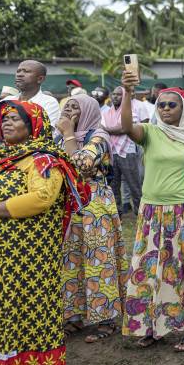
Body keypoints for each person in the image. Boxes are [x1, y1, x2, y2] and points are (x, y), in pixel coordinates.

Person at [0, 100, 88, 365]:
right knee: (0, 307)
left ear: (34, 125)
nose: (6, 123)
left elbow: (42, 198)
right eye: (4, 119)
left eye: (15, 119)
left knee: (33, 307)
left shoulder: (45, 159)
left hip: (31, 252)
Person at [118, 71, 184, 352]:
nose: (165, 109)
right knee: (150, 270)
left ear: (183, 109)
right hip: (152, 213)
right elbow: (126, 126)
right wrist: (127, 91)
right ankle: (151, 327)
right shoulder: (150, 133)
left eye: (171, 105)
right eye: (161, 105)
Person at [55, 94, 128, 345]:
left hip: (93, 202)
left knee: (98, 259)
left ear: (87, 111)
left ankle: (105, 319)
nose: (70, 111)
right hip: (68, 204)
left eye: (75, 107)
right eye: (67, 106)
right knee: (71, 259)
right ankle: (74, 314)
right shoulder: (59, 137)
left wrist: (67, 134)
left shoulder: (99, 136)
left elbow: (82, 165)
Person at [0, 60, 60, 141]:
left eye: (26, 71)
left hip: (35, 152)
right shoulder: (6, 101)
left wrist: (4, 131)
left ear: (40, 79)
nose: (19, 74)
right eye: (18, 71)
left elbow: (42, 133)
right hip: (6, 152)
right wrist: (20, 130)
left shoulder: (49, 102)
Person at [102, 86, 143, 215]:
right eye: (114, 94)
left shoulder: (131, 112)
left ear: (125, 97)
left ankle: (140, 212)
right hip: (111, 152)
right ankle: (117, 214)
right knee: (113, 186)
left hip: (128, 152)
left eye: (119, 94)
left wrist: (108, 129)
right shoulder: (106, 113)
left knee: (134, 185)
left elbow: (124, 129)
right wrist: (115, 129)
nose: (115, 96)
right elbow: (105, 128)